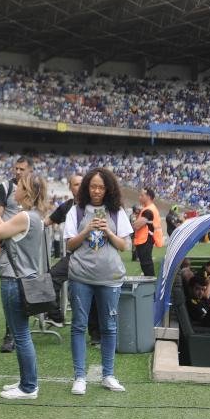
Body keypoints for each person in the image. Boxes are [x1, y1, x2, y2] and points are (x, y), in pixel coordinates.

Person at [63, 167, 132, 394]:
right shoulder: (77, 211)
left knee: (109, 327)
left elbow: (124, 246)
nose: (97, 191)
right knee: (79, 326)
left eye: (101, 187)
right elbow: (69, 245)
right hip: (80, 276)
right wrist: (87, 230)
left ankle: (108, 375)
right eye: (93, 186)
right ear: (86, 187)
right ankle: (79, 376)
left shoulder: (116, 212)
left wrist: (108, 233)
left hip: (109, 278)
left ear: (108, 189)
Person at [0, 172, 51, 399]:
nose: (15, 189)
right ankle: (26, 382)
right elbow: (4, 228)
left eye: (20, 186)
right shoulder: (32, 216)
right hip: (25, 279)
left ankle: (29, 387)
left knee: (21, 335)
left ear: (28, 192)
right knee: (22, 334)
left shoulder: (26, 217)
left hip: (15, 280)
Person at [0, 156, 31, 353]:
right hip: (9, 246)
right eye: (16, 168)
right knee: (10, 289)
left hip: (28, 247)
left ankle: (21, 330)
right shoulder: (5, 188)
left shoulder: (34, 189)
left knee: (27, 289)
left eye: (22, 169)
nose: (18, 172)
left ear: (29, 170)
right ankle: (10, 333)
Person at [44, 173, 83, 327]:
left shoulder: (94, 206)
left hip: (93, 256)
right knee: (51, 277)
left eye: (82, 183)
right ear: (70, 187)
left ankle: (96, 334)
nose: (79, 187)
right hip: (73, 256)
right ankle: (55, 316)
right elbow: (47, 221)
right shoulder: (67, 206)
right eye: (76, 184)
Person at [130, 187, 161, 276]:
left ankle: (150, 284)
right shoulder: (149, 208)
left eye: (142, 195)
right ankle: (149, 282)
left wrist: (132, 224)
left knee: (146, 263)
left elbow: (136, 225)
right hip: (145, 239)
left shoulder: (148, 210)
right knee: (145, 263)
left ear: (148, 197)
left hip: (145, 239)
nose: (139, 197)